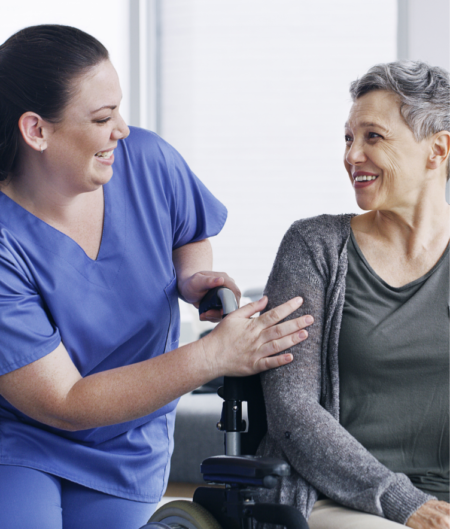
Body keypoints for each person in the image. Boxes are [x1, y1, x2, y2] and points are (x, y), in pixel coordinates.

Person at [0, 25, 314, 529]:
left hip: (130, 438)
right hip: (25, 437)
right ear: (36, 130)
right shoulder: (5, 241)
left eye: (118, 110)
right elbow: (63, 402)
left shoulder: (146, 160)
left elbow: (187, 227)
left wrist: (190, 276)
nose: (121, 129)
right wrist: (214, 353)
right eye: (103, 118)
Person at [258, 60, 450, 529]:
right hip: (341, 497)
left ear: (437, 150)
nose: (351, 156)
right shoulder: (314, 247)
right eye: (348, 138)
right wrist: (402, 501)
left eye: (373, 137)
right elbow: (292, 409)